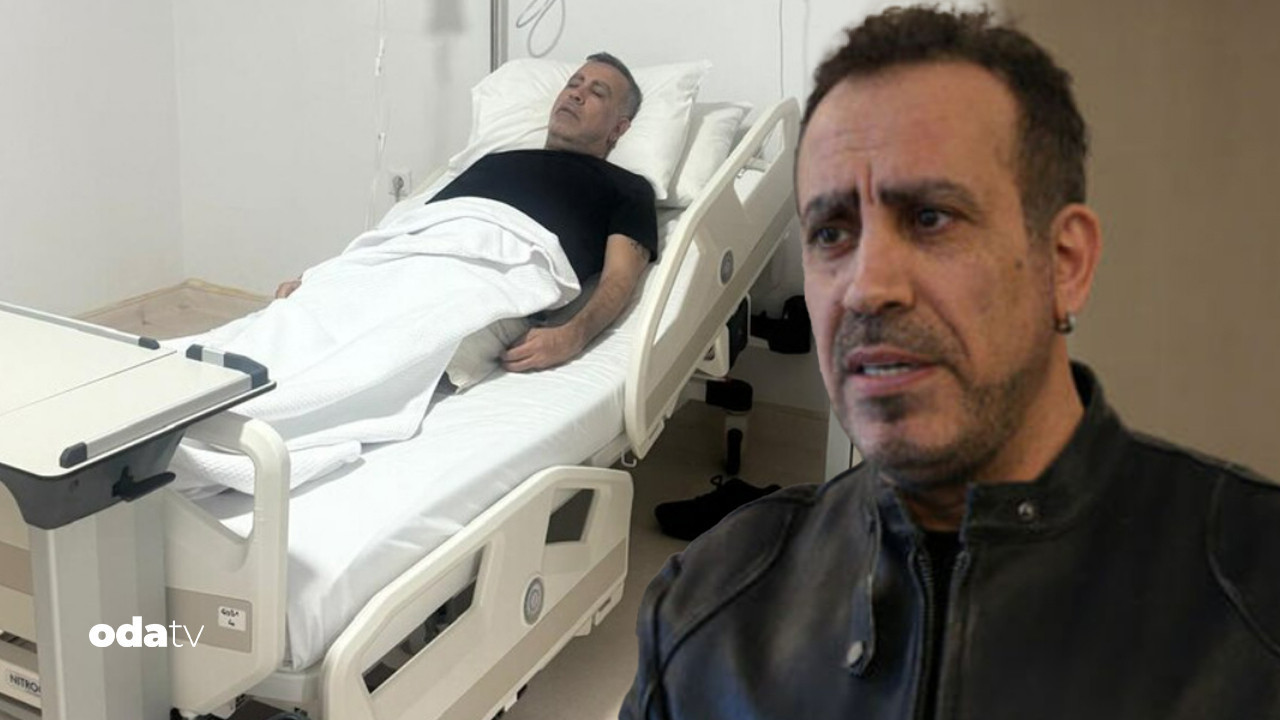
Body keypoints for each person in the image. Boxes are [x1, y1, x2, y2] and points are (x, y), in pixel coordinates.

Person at [620, 8, 1280, 720]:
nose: (867, 288)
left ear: (1065, 264)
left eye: (931, 217)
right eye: (832, 232)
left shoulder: (1254, 600)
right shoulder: (710, 610)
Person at [277, 51, 658, 374]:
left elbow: (619, 279)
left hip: (486, 274)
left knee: (373, 350)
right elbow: (412, 229)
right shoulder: (493, 161)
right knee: (293, 321)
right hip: (418, 255)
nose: (576, 94)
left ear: (619, 128)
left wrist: (572, 336)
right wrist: (326, 275)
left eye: (597, 93)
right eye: (574, 84)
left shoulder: (628, 188)